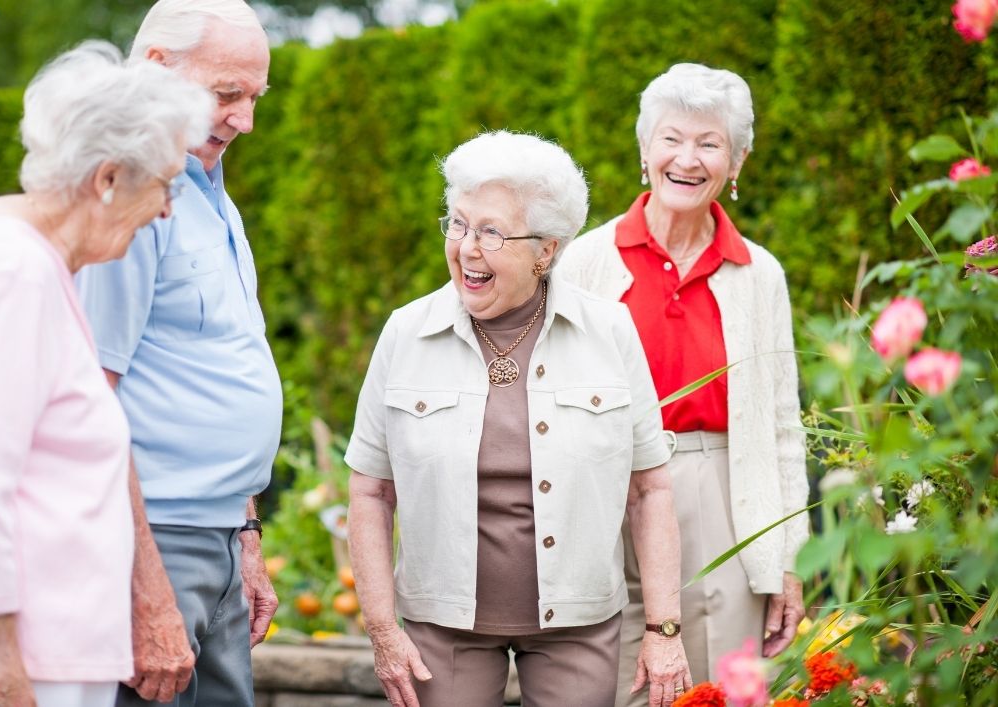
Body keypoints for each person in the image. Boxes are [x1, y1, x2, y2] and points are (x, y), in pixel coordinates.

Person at [346, 130, 692, 707]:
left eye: (491, 232)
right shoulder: (407, 332)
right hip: (443, 628)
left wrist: (663, 630)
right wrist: (384, 630)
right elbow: (370, 493)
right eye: (457, 224)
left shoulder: (608, 331)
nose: (467, 248)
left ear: (547, 250)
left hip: (579, 622)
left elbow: (649, 490)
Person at [558, 63, 810, 702]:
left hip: (721, 496)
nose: (688, 159)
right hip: (606, 491)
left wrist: (787, 560)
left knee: (722, 690)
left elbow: (783, 426)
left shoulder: (759, 274)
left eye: (710, 143)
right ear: (645, 151)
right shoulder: (584, 260)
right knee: (611, 684)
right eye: (672, 138)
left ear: (738, 161)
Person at [0, 42, 210, 707]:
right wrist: (6, 674)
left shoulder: (43, 269)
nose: (167, 209)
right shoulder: (11, 273)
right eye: (165, 183)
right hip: (22, 666)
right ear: (108, 179)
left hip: (52, 654)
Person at [75, 1, 281, 705]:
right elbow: (87, 407)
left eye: (254, 97)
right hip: (152, 542)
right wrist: (143, 588)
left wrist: (246, 533)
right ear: (157, 70)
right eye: (227, 94)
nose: (245, 120)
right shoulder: (126, 197)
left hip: (217, 537)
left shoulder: (214, 194)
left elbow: (219, 364)